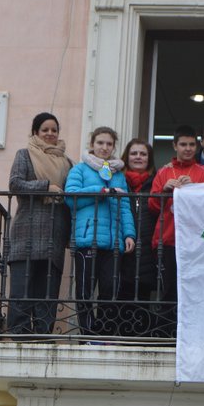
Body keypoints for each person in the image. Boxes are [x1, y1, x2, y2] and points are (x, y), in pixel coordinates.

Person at [66, 126, 137, 337]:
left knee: (109, 290)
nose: (104, 147)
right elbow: (71, 197)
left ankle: (102, 333)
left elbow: (125, 206)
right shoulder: (79, 169)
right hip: (87, 238)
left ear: (114, 147)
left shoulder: (118, 175)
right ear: (92, 145)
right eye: (100, 143)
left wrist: (129, 234)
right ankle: (88, 334)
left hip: (113, 241)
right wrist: (102, 191)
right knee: (85, 290)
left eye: (109, 144)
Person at [6, 112, 72, 335]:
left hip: (54, 231)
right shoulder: (24, 155)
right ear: (36, 132)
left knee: (48, 290)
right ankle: (20, 333)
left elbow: (71, 196)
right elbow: (15, 184)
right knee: (22, 287)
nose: (50, 134)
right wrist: (46, 186)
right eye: (45, 130)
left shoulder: (67, 162)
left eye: (54, 130)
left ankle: (43, 333)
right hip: (27, 229)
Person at [149, 125, 204, 335]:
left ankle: (192, 335)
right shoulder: (163, 172)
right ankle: (165, 335)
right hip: (168, 240)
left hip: (198, 243)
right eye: (183, 144)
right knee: (168, 290)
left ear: (196, 147)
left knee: (195, 290)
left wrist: (196, 188)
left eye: (191, 145)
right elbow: (151, 206)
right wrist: (163, 191)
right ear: (175, 146)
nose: (187, 149)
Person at [117, 137, 159, 335]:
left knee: (143, 293)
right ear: (127, 157)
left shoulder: (156, 182)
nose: (138, 157)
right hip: (121, 246)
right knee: (118, 290)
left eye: (143, 154)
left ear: (149, 159)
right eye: (134, 153)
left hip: (148, 247)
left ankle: (139, 336)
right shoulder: (118, 180)